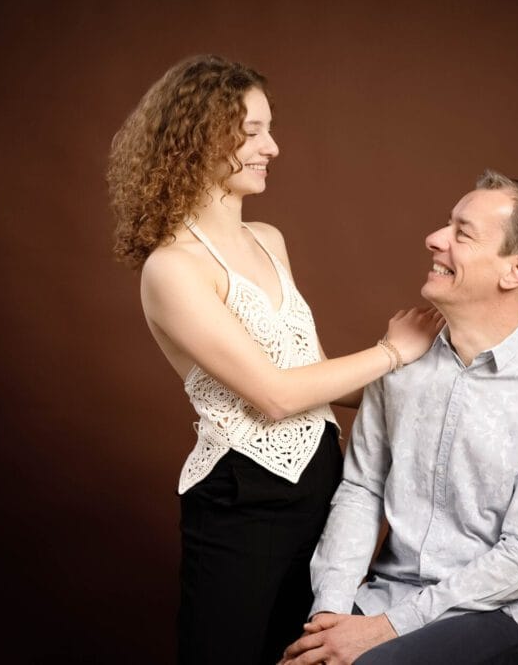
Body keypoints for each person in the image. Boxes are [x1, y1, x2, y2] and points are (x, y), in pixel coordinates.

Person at [106, 55, 443, 665]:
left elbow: (311, 377)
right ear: (201, 135)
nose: (274, 147)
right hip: (241, 498)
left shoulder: (269, 238)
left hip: (323, 483)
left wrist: (435, 387)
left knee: (309, 658)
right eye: (253, 131)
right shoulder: (172, 267)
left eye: (270, 128)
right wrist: (393, 351)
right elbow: (276, 393)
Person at [281, 170, 518, 665]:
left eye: (461, 233)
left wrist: (383, 630)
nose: (434, 239)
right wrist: (330, 614)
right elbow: (362, 490)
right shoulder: (401, 363)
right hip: (385, 595)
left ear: (516, 270)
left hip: (500, 614)